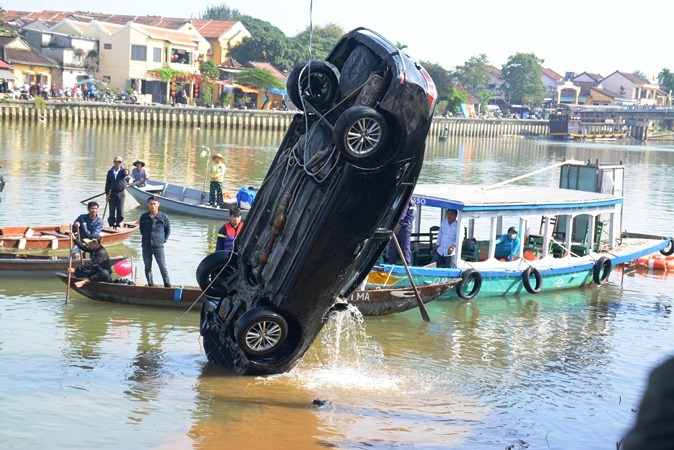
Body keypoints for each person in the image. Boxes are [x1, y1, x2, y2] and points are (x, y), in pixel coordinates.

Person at [139, 196, 171, 287]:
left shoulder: (164, 217)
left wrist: (162, 240)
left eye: (154, 204)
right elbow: (142, 230)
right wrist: (146, 238)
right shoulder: (144, 217)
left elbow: (168, 230)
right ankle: (150, 284)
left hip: (158, 246)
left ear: (158, 205)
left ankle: (167, 285)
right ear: (148, 205)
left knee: (162, 267)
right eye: (151, 204)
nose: (152, 206)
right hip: (146, 245)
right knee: (147, 267)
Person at [386, 198, 415, 265]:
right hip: (395, 229)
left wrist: (400, 225)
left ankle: (407, 266)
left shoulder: (412, 204)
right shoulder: (398, 202)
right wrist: (395, 225)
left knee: (405, 250)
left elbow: (410, 217)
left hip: (405, 230)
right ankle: (390, 265)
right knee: (393, 250)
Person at [105, 156, 129, 229]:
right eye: (117, 162)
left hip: (121, 193)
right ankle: (111, 224)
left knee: (120, 210)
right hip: (112, 192)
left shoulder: (123, 171)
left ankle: (118, 223)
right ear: (114, 162)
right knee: (111, 209)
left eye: (120, 162)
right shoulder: (110, 172)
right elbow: (107, 183)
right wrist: (107, 194)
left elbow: (127, 172)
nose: (118, 163)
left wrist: (127, 172)